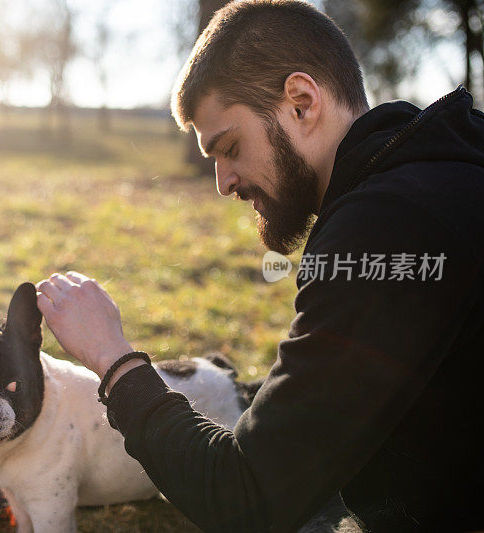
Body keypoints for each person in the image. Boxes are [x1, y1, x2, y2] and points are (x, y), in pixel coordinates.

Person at [36, 1, 484, 532]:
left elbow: (244, 498)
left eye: (229, 147)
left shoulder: (383, 227)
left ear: (301, 101)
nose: (224, 182)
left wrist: (114, 361)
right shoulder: (449, 168)